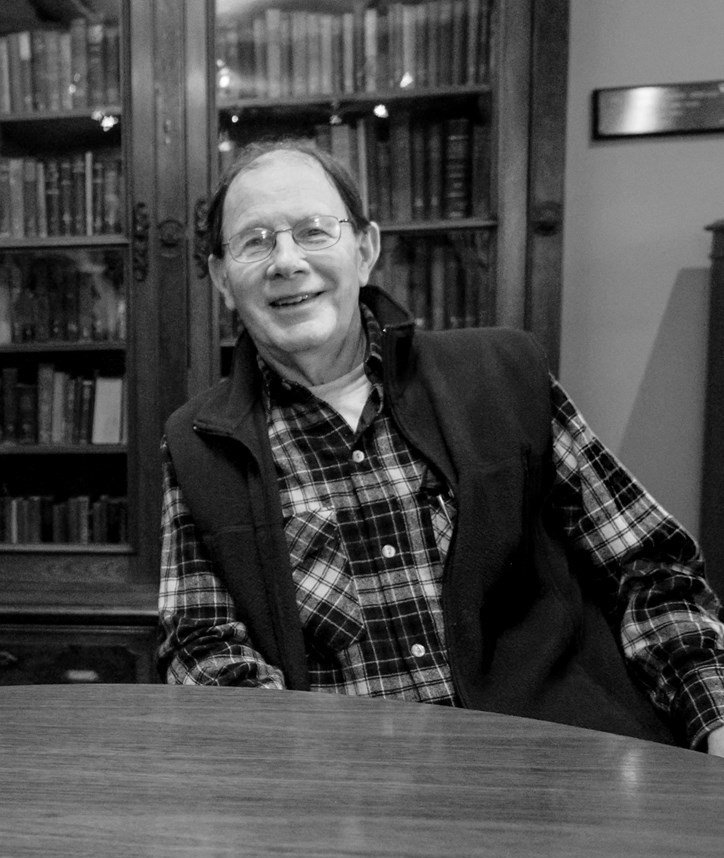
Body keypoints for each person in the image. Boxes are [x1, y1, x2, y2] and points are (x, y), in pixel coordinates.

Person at [158, 138, 724, 755]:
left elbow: (646, 567)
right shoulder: (196, 443)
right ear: (220, 276)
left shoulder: (503, 376)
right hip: (346, 798)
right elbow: (204, 644)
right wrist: (292, 770)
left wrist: (714, 717)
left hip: (556, 766)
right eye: (255, 240)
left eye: (314, 231)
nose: (286, 261)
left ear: (366, 248)